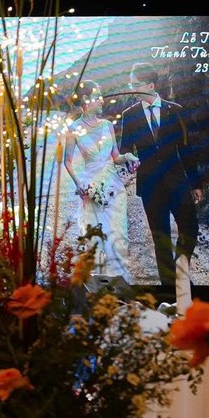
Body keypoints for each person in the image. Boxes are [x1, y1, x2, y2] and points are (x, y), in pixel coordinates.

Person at [116, 63, 201, 286]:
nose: (131, 88)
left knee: (190, 228)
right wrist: (128, 157)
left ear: (151, 85)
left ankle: (180, 272)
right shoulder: (129, 115)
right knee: (160, 238)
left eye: (135, 84)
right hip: (150, 184)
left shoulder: (176, 110)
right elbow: (126, 148)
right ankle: (170, 288)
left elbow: (186, 148)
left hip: (178, 181)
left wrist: (195, 183)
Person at [62, 80, 134, 279]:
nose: (102, 100)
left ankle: (118, 281)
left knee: (118, 233)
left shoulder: (107, 125)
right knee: (96, 236)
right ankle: (99, 283)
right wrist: (79, 184)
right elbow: (67, 161)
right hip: (91, 186)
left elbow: (116, 157)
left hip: (113, 187)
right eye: (98, 96)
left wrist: (128, 157)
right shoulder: (73, 129)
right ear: (86, 99)